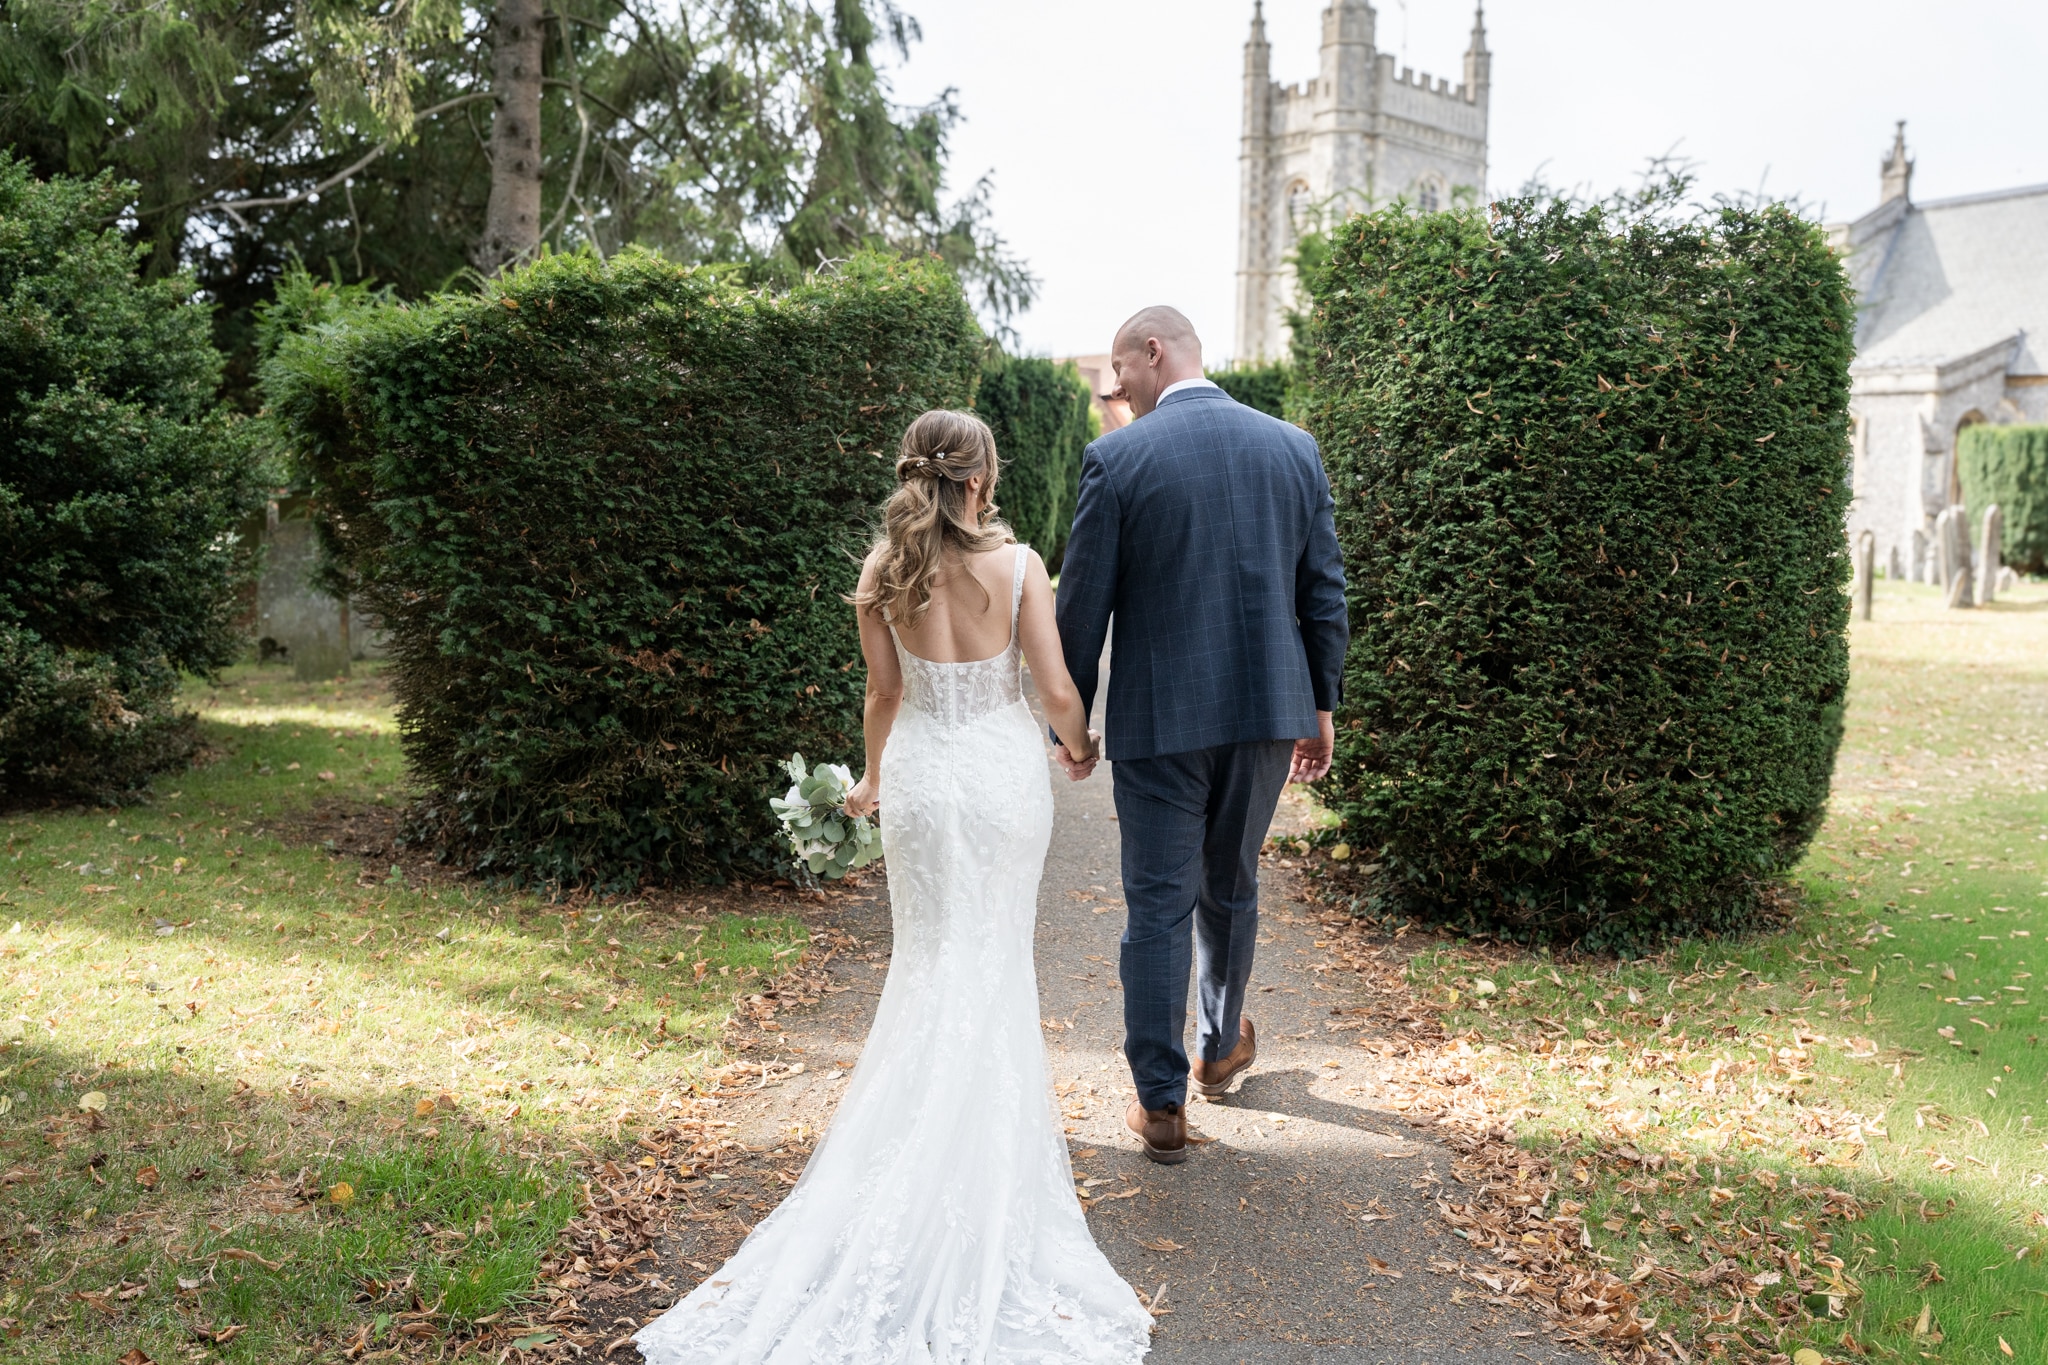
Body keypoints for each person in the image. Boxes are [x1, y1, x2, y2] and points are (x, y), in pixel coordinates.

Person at [634, 410, 1153, 1364]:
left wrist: (872, 779)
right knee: (992, 966)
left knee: (928, 964)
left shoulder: (884, 571)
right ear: (982, 480)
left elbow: (883, 696)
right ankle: (974, 1190)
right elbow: (1055, 689)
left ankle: (905, 1170)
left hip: (920, 779)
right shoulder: (1021, 566)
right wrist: (1079, 747)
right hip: (1000, 782)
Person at [1054, 306, 1349, 1165]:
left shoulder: (1117, 459)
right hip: (1266, 713)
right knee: (1233, 880)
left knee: (1157, 905)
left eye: (1120, 372)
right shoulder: (1293, 449)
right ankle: (1220, 1044)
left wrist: (1070, 723)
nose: (1115, 392)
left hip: (1159, 723)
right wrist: (1319, 705)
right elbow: (1323, 592)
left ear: (1155, 352)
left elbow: (1082, 606)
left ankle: (1161, 1102)